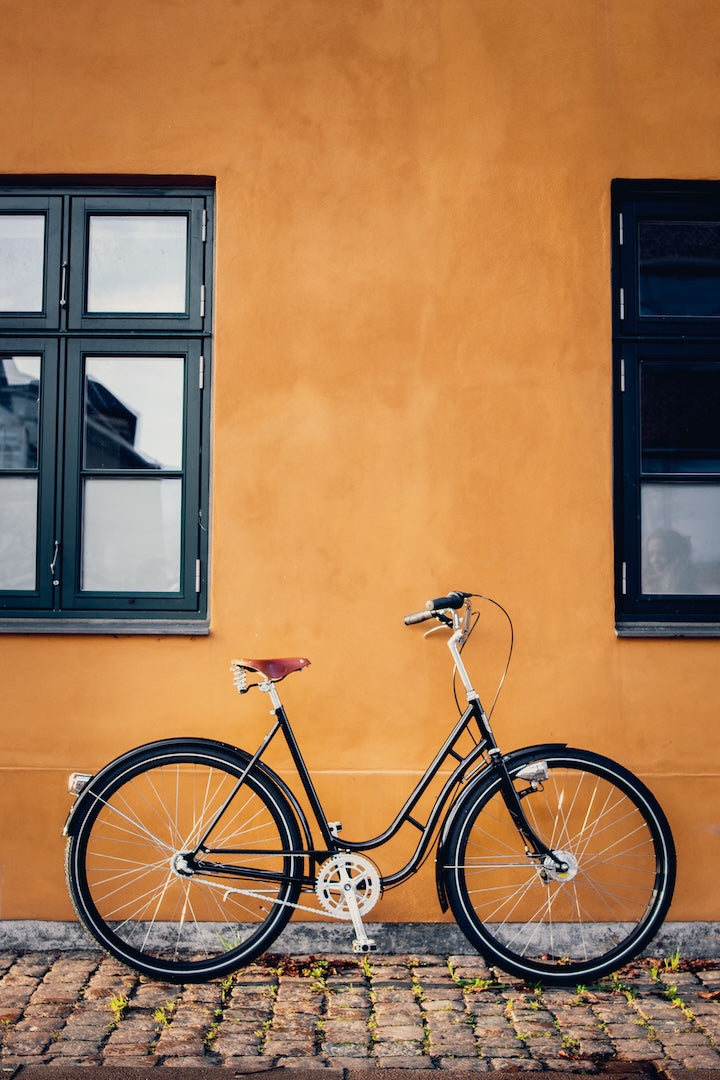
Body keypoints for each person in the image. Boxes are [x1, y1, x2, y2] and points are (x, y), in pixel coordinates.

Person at [643, 528, 697, 593]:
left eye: (661, 553)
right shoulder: (646, 587)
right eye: (651, 554)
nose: (654, 560)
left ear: (676, 557)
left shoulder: (688, 591)